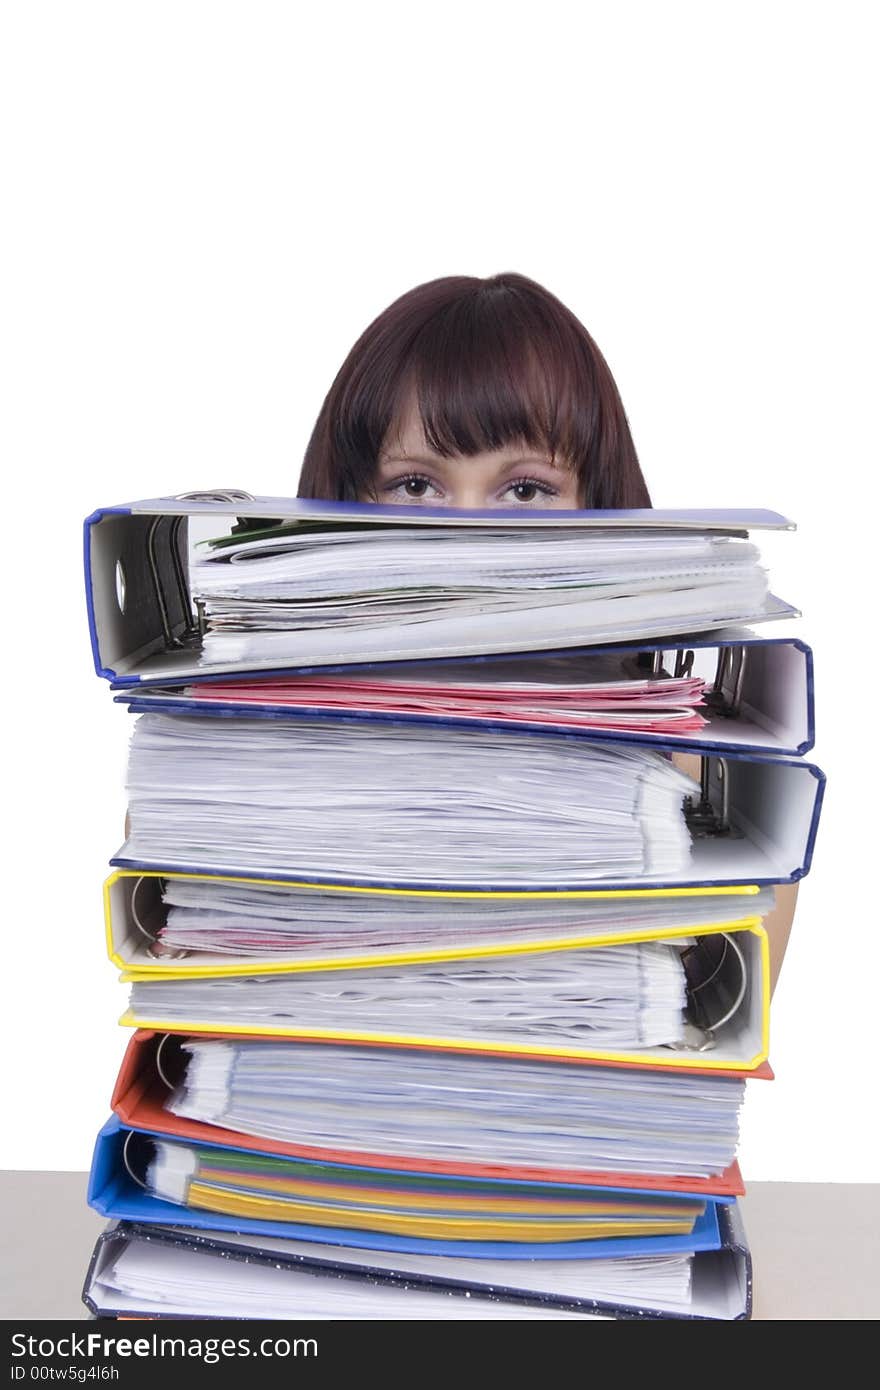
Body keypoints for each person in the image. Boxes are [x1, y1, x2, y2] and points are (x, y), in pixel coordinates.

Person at [297, 270, 796, 987]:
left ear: (600, 507)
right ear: (347, 500)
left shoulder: (718, 806)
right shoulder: (245, 778)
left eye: (524, 489)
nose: (466, 536)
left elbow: (710, 1044)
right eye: (416, 485)